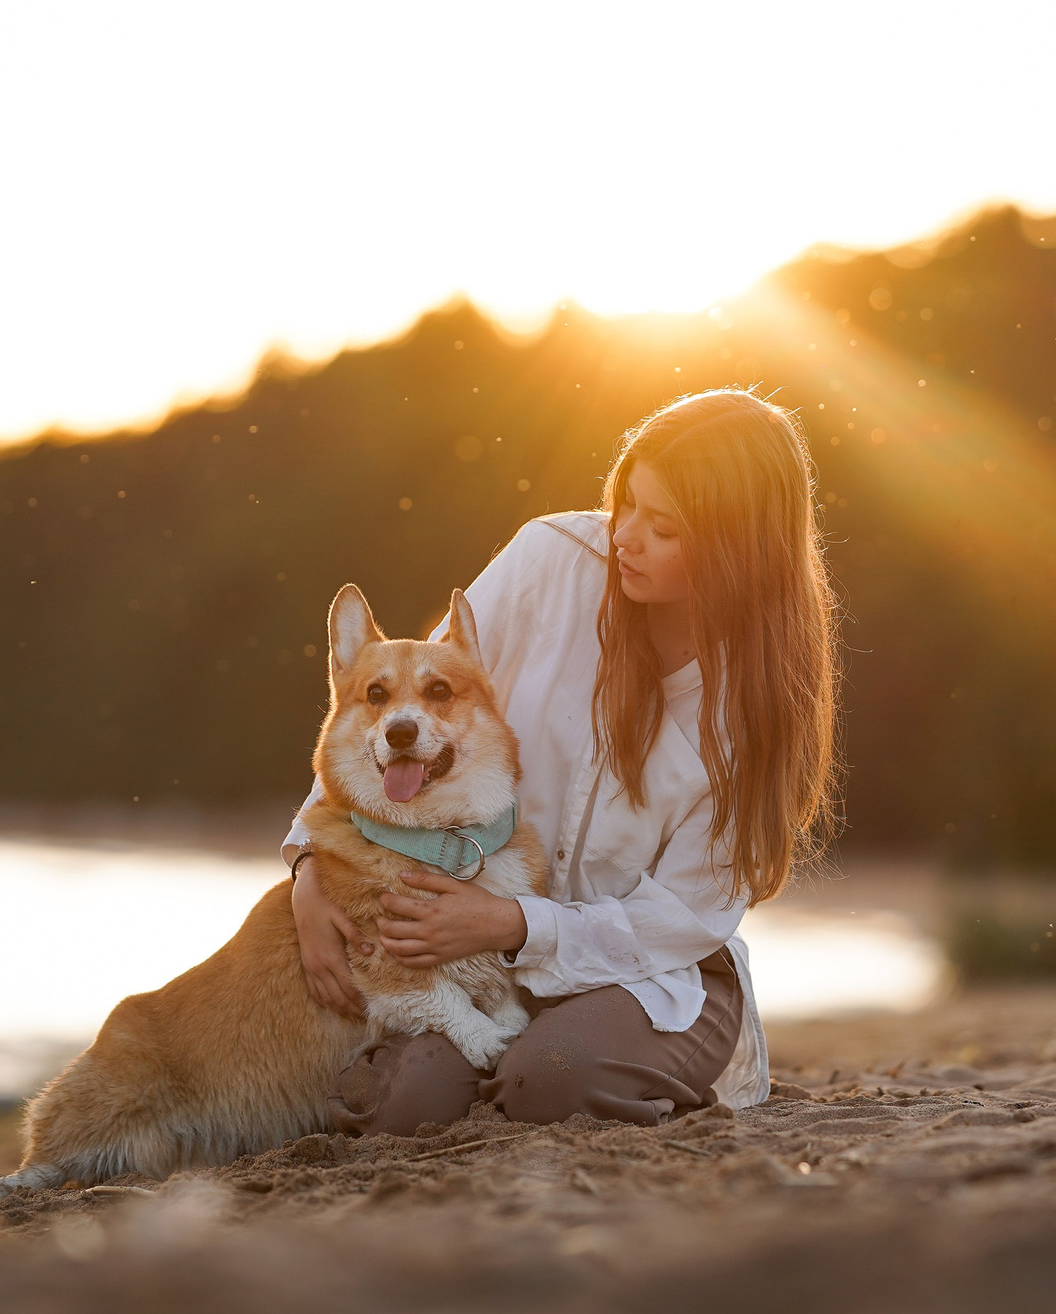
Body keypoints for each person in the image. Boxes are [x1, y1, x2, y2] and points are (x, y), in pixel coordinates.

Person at [281, 387, 839, 1131]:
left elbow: (684, 919)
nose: (625, 537)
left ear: (737, 549)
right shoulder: (550, 560)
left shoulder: (752, 704)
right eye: (627, 502)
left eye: (663, 527)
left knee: (551, 1079)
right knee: (410, 1104)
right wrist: (307, 866)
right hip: (472, 953)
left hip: (651, 970)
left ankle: (645, 1067)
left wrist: (514, 923)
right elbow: (390, 700)